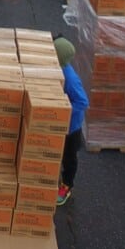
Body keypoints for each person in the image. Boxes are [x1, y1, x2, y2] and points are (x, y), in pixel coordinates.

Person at [53, 35, 88, 207]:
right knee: (59, 153)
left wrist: (63, 108)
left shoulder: (70, 79)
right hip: (60, 124)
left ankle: (67, 186)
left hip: (71, 127)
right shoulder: (58, 69)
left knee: (69, 158)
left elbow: (83, 102)